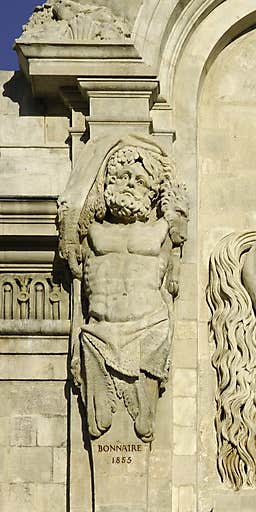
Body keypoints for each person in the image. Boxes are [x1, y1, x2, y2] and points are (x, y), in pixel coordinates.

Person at [63, 138, 188, 442]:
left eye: (140, 180)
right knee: (97, 425)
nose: (131, 184)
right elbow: (73, 205)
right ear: (109, 182)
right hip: (99, 330)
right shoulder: (91, 231)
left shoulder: (162, 231)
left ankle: (142, 403)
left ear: (151, 192)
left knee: (143, 427)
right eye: (123, 177)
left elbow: (179, 209)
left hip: (148, 326)